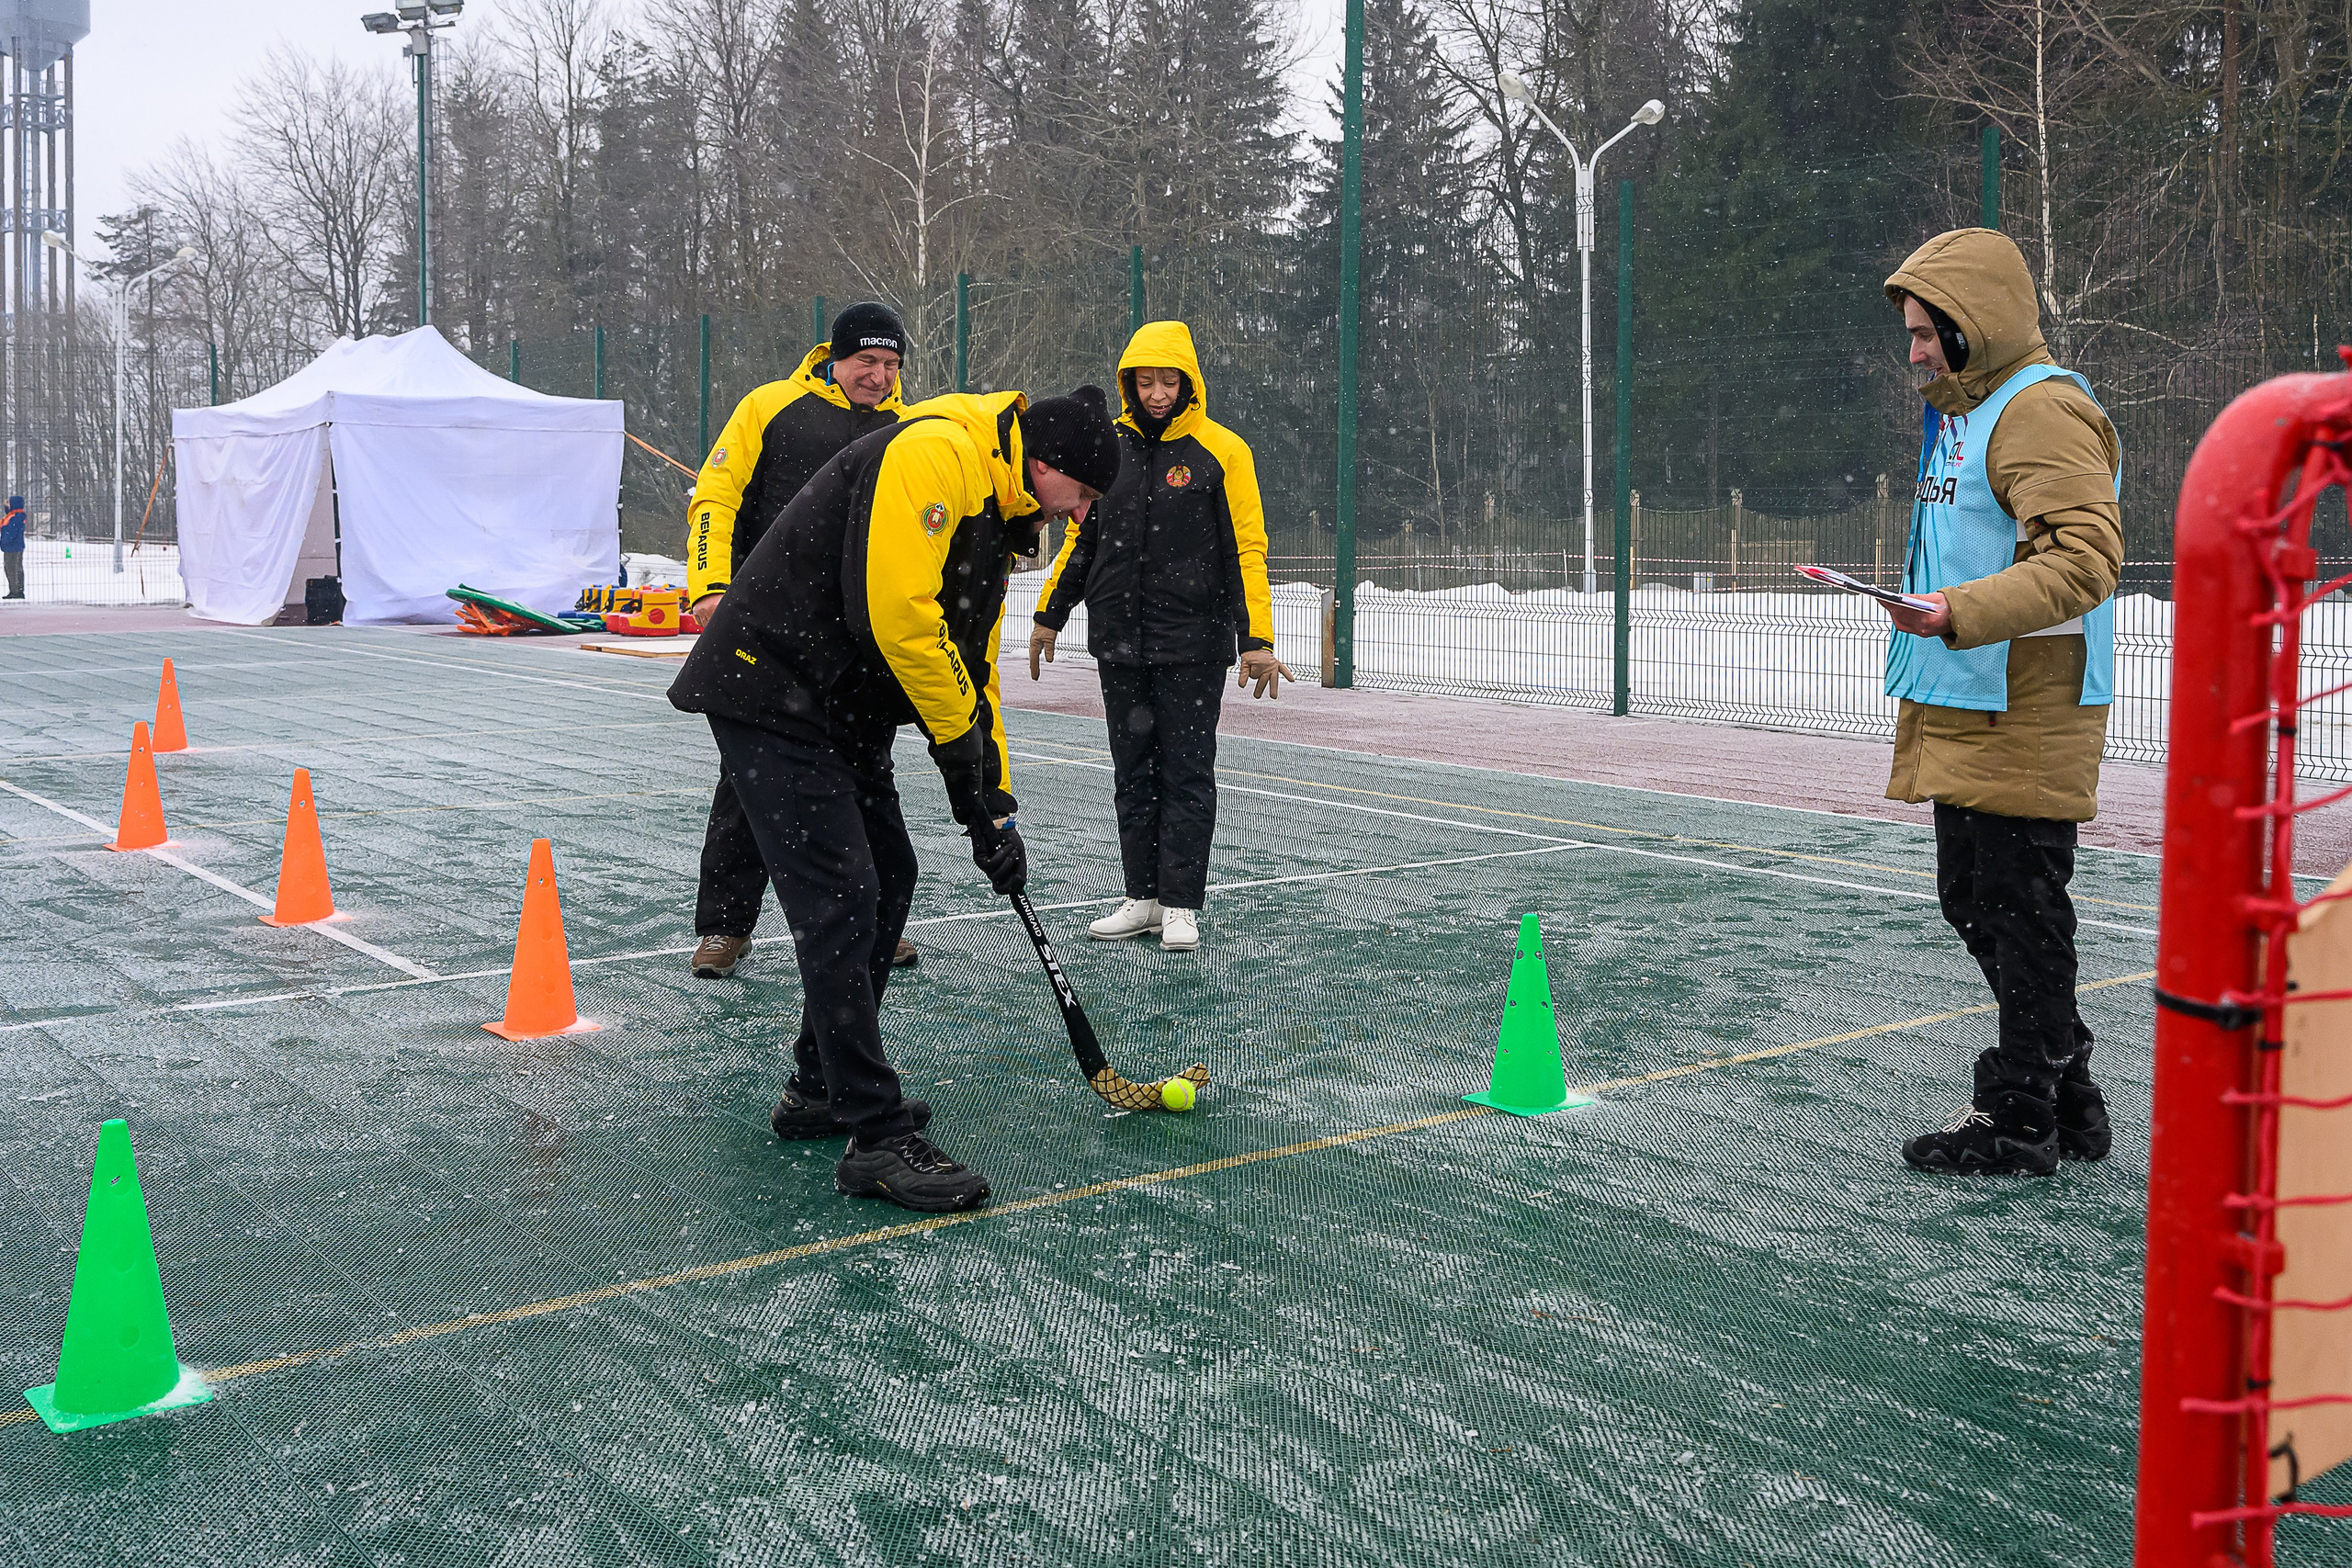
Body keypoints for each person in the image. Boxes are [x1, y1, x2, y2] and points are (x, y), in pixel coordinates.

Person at [668, 384, 1120, 1212]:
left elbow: (971, 666)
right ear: (1047, 464)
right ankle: (873, 1137)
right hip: (774, 691)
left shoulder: (1001, 501)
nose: (1081, 515)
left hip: (836, 705)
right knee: (844, 897)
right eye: (1083, 495)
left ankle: (816, 1088)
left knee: (890, 878)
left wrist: (995, 802)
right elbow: (903, 620)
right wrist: (957, 757)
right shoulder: (937, 454)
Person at [1875, 228, 2123, 1178]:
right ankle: (2065, 1094)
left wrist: (1956, 611)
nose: (1916, 351)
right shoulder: (1967, 414)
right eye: (1911, 333)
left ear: (1975, 324)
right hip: (1964, 687)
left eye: (1929, 332)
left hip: (2024, 700)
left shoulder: (2041, 412)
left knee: (2019, 908)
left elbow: (2083, 560)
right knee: (1975, 902)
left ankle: (2019, 1117)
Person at [1026, 321, 1290, 953]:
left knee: (1188, 774)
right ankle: (1141, 897)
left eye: (1168, 380)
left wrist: (1256, 638)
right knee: (1132, 773)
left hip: (1193, 647)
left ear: (1189, 381)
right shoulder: (1109, 448)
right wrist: (1049, 613)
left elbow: (1244, 551)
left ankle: (1179, 904)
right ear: (1128, 383)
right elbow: (1080, 539)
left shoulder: (1224, 452)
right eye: (1144, 381)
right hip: (1119, 643)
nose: (1157, 392)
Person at [682, 302, 924, 979]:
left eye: (889, 365)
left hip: (860, 647)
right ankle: (725, 927)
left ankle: (878, 921)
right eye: (865, 362)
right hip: (771, 637)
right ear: (834, 356)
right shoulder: (769, 406)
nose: (877, 376)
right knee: (747, 782)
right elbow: (715, 495)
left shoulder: (908, 429)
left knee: (867, 779)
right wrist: (709, 584)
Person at [1, 494, 24, 600]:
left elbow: (11, 532)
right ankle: (18, 590)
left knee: (11, 568)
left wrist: (4, 542)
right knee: (16, 568)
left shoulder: (15, 517)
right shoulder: (16, 515)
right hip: (15, 546)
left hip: (12, 547)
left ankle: (15, 591)